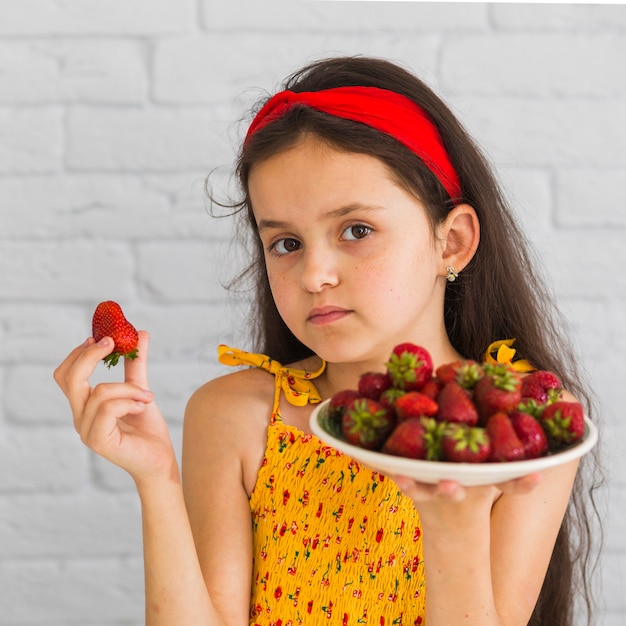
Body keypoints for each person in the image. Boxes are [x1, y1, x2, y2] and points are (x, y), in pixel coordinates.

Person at [54, 56, 601, 625]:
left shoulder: (526, 423)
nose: (314, 274)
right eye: (285, 243)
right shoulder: (233, 416)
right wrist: (155, 478)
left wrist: (452, 513)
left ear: (452, 242)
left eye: (356, 231)